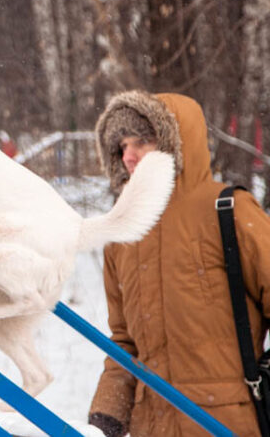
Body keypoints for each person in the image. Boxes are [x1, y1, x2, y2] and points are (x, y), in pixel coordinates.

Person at [88, 90, 270, 437]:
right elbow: (124, 342)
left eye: (141, 141)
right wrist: (105, 417)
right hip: (152, 426)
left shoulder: (230, 212)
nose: (129, 156)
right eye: (122, 146)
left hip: (225, 423)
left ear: (176, 143)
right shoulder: (122, 235)